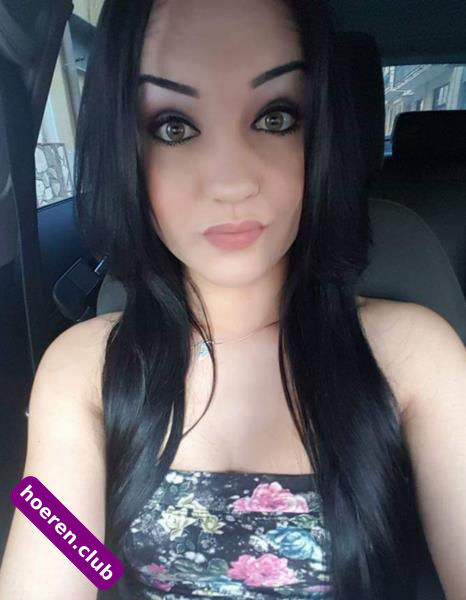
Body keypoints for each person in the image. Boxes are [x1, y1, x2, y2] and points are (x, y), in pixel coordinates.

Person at [1, 1, 465, 599]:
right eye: (173, 126)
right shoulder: (81, 369)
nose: (231, 182)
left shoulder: (415, 356)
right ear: (125, 149)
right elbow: (62, 550)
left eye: (276, 117)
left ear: (320, 135)